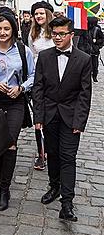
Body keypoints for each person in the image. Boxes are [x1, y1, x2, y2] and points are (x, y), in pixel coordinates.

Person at [33, 16, 92, 222]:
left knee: (68, 157)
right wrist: (38, 116)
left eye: (61, 34)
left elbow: (85, 94)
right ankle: (54, 186)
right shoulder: (44, 56)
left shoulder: (84, 59)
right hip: (49, 114)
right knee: (53, 153)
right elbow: (38, 88)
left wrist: (79, 122)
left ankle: (67, 202)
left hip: (70, 116)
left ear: (71, 35)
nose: (57, 38)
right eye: (54, 34)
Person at [0, 14, 35, 211]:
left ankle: (4, 188)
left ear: (13, 29)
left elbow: (33, 75)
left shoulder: (24, 51)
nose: (3, 33)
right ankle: (1, 164)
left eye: (6, 29)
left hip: (16, 101)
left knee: (10, 142)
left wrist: (21, 87)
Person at [28, 1, 54, 170]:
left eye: (41, 13)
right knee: (38, 116)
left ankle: (52, 151)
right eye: (36, 14)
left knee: (51, 117)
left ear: (48, 14)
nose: (38, 16)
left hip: (54, 79)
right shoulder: (32, 34)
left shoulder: (56, 32)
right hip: (38, 79)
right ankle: (41, 154)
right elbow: (32, 55)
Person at [76, 16, 104, 82]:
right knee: (87, 65)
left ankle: (94, 76)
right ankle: (87, 76)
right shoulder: (83, 29)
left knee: (95, 65)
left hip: (94, 51)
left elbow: (102, 39)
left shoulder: (97, 30)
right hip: (85, 50)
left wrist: (97, 44)